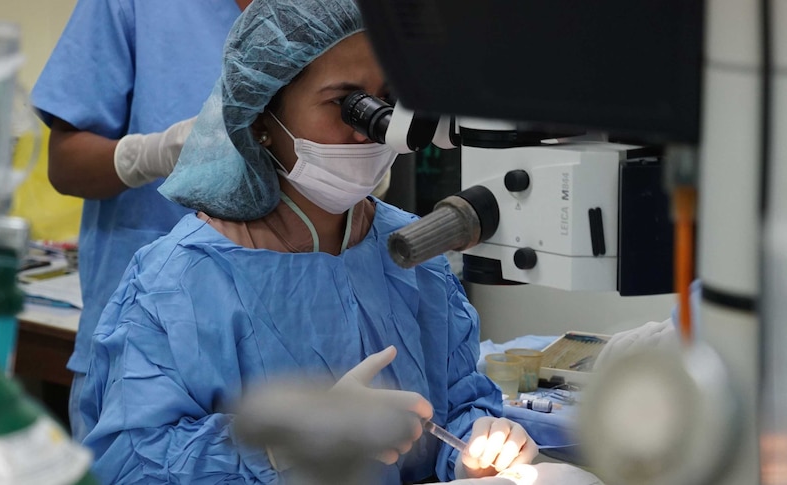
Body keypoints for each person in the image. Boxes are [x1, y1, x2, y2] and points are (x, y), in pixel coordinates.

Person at [79, 0, 541, 483]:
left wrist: (481, 443)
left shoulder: (413, 256)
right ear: (260, 119)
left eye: (389, 101)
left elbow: (457, 410)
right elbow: (131, 464)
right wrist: (287, 445)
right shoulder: (179, 282)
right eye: (347, 103)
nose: (373, 130)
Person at [30, 0, 247, 440]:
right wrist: (149, 154)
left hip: (286, 341)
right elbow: (65, 163)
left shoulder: (333, 11)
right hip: (141, 350)